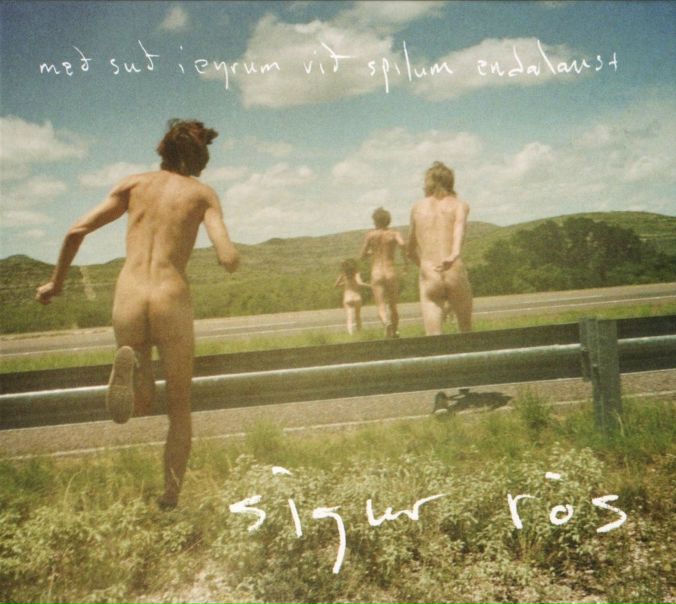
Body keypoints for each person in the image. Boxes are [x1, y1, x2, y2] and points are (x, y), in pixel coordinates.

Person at [35, 119, 239, 509]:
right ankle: (170, 497)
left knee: (142, 398)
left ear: (164, 150)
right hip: (170, 298)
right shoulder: (202, 194)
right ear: (199, 156)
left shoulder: (133, 185)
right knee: (178, 406)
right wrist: (233, 259)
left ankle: (134, 373)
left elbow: (75, 231)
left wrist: (55, 284)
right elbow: (227, 256)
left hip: (128, 296)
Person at [407, 161, 472, 335]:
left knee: (433, 339)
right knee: (466, 333)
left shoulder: (417, 207)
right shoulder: (460, 205)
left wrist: (425, 266)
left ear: (429, 182)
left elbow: (410, 250)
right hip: (454, 271)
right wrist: (454, 253)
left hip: (430, 275)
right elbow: (459, 227)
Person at [359, 207, 407, 338]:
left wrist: (371, 252)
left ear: (375, 220)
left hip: (377, 272)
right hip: (390, 271)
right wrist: (405, 262)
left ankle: (386, 323)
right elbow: (402, 244)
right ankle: (395, 331)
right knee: (393, 305)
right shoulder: (394, 233)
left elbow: (362, 256)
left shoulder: (370, 235)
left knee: (380, 305)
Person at [334, 258, 369, 335]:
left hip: (347, 297)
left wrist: (345, 283)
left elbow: (336, 285)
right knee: (358, 316)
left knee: (349, 317)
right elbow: (360, 283)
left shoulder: (343, 274)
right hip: (357, 297)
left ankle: (350, 333)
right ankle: (360, 332)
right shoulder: (356, 273)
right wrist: (371, 286)